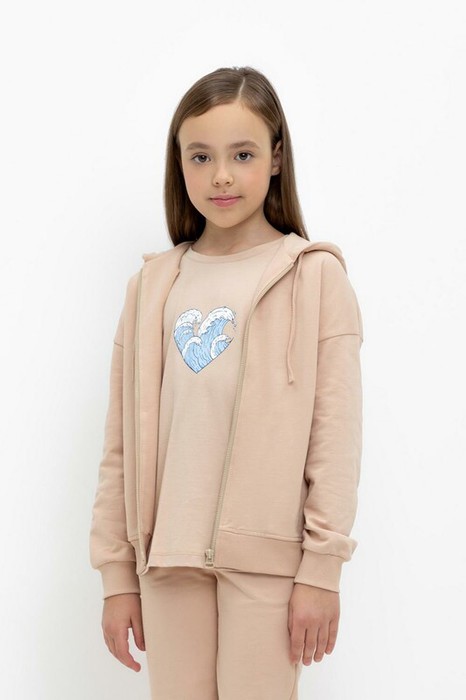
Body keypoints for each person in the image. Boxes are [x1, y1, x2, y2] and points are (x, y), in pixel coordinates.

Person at [89, 65, 364, 700]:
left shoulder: (315, 278)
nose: (220, 175)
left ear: (276, 158)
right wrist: (117, 575)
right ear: (178, 164)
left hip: (268, 565)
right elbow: (119, 447)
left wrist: (321, 569)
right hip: (167, 560)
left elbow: (335, 439)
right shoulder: (151, 288)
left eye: (242, 154)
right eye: (201, 156)